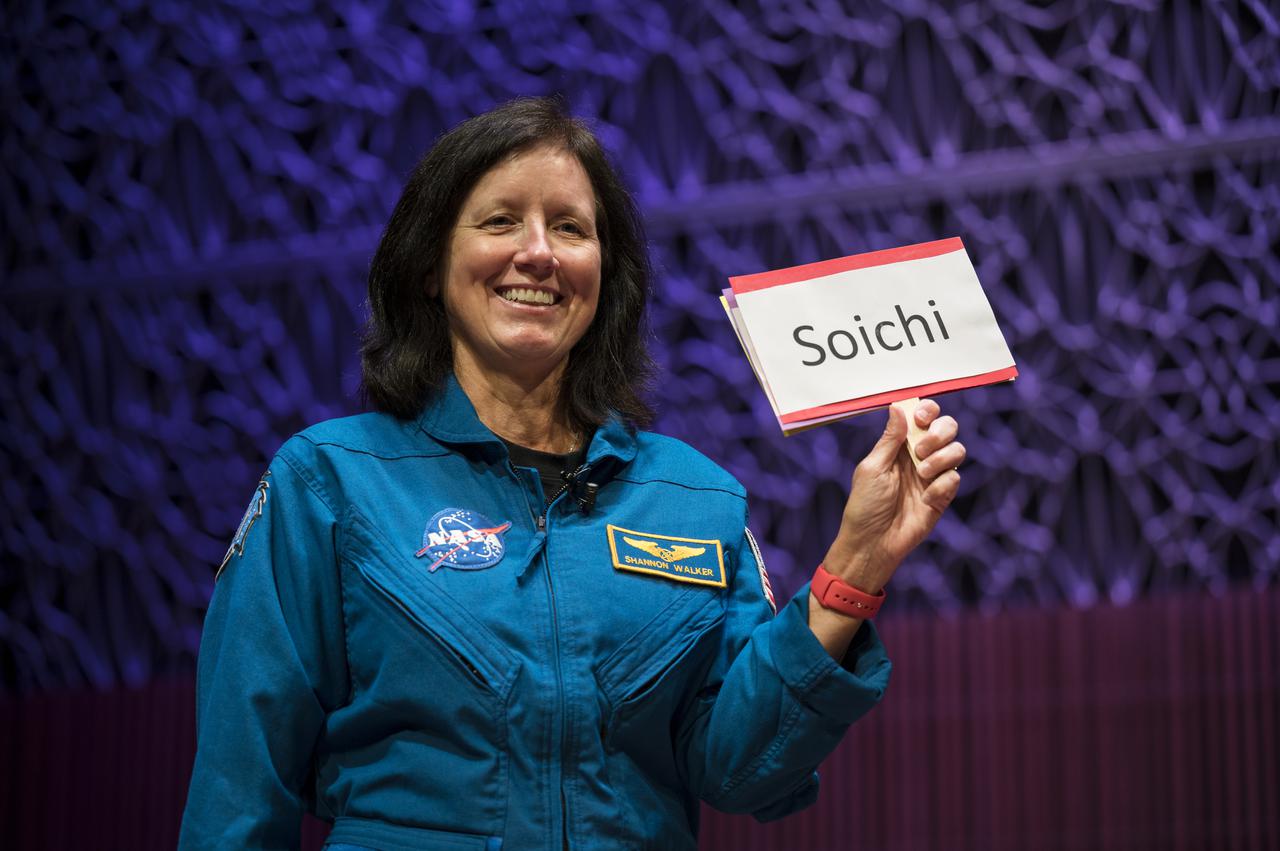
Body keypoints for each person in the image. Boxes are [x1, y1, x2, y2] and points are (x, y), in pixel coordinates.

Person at [178, 97, 966, 851]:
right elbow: (239, 791)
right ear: (429, 267)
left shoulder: (695, 499)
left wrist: (857, 564)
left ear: (603, 275)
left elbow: (739, 765)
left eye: (569, 227)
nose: (539, 252)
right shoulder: (330, 481)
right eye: (498, 221)